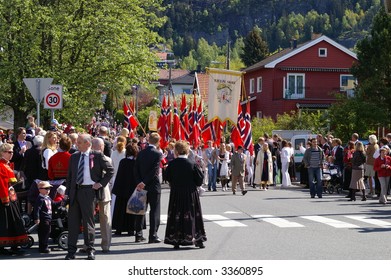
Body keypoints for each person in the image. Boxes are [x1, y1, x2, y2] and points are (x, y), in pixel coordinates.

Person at [64, 133, 114, 260]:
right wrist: (67, 193)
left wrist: (100, 184)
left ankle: (90, 249)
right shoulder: (74, 157)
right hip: (75, 191)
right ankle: (71, 251)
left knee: (88, 222)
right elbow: (70, 176)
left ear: (87, 143)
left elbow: (110, 171)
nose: (76, 144)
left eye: (79, 142)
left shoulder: (96, 155)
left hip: (89, 192)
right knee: (73, 222)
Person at [164, 141, 206, 249]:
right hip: (190, 194)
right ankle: (197, 240)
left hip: (176, 193)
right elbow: (200, 180)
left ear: (176, 151)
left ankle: (176, 240)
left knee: (176, 215)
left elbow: (167, 177)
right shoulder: (192, 164)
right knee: (192, 216)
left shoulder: (172, 164)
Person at [112, 143, 145, 241]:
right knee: (133, 210)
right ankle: (131, 229)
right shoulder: (137, 162)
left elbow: (119, 176)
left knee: (121, 208)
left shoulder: (123, 162)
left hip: (122, 189)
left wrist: (116, 189)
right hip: (133, 189)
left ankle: (119, 228)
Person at [0, 143, 29, 255]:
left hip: (11, 196)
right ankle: (7, 246)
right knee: (7, 222)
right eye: (9, 152)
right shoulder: (1, 166)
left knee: (14, 221)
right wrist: (5, 199)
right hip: (5, 198)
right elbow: (2, 184)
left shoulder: (6, 165)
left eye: (12, 152)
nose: (11, 154)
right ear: (2, 152)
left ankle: (15, 245)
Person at [134, 132, 163, 244]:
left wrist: (139, 182)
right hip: (153, 185)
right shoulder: (157, 153)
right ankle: (153, 235)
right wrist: (144, 182)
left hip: (141, 184)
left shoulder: (141, 153)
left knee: (140, 209)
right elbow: (154, 171)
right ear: (158, 141)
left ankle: (138, 234)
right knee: (154, 210)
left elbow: (135, 169)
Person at [90, 137, 113, 253]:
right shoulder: (88, 158)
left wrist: (100, 183)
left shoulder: (107, 159)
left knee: (105, 217)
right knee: (92, 218)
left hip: (103, 190)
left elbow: (108, 173)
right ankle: (90, 244)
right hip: (92, 190)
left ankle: (106, 243)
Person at [33, 181, 64, 253]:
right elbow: (36, 209)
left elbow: (53, 204)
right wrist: (36, 218)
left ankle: (43, 246)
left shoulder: (48, 198)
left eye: (49, 189)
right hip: (43, 218)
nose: (48, 190)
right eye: (46, 189)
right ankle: (43, 247)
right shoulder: (40, 199)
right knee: (44, 233)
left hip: (48, 217)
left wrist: (60, 202)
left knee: (47, 232)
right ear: (40, 189)